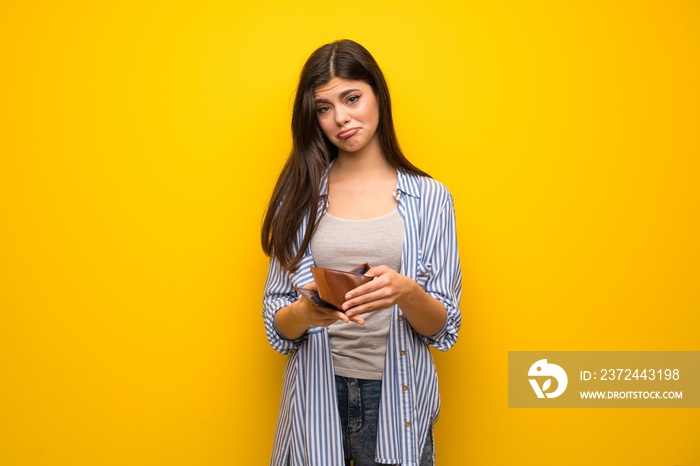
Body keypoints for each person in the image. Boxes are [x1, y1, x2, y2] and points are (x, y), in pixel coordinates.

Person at [261, 39, 462, 466]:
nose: (341, 118)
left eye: (352, 98)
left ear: (377, 95)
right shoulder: (298, 197)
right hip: (316, 393)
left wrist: (406, 292)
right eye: (324, 107)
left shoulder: (430, 198)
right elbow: (277, 322)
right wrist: (305, 312)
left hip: (397, 399)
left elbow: (444, 328)